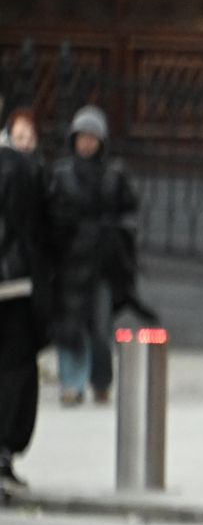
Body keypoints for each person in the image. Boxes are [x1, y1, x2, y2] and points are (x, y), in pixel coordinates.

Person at [47, 106, 137, 407]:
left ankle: (101, 381)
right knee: (69, 325)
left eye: (92, 137)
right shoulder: (61, 175)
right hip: (69, 261)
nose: (86, 143)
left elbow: (129, 213)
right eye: (81, 137)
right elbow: (50, 215)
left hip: (101, 262)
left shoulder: (114, 176)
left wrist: (115, 237)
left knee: (100, 327)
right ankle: (71, 383)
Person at [0, 140, 52, 495]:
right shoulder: (24, 168)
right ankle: (4, 451)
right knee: (15, 370)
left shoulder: (20, 168)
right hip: (16, 283)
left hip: (15, 282)